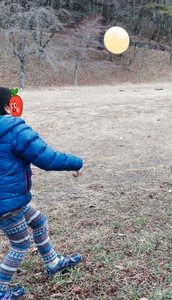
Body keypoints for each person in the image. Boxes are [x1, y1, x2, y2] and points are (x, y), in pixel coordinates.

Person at [0, 87, 83, 299]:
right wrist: (76, 162)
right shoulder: (15, 130)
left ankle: (53, 263)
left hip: (11, 199)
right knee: (20, 244)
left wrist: (21, 165)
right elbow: (48, 158)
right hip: (8, 204)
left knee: (39, 221)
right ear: (9, 106)